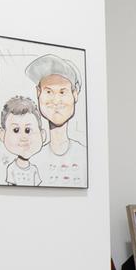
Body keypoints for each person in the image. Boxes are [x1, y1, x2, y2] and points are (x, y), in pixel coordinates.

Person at [26, 53, 86, 187]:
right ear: (38, 93)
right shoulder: (33, 161)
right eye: (48, 92)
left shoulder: (84, 155)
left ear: (75, 94)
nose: (56, 100)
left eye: (62, 92)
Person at [0, 96, 44, 186]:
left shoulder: (34, 169)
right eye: (16, 130)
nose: (23, 138)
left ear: (42, 135)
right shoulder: (11, 168)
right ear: (2, 135)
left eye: (28, 130)